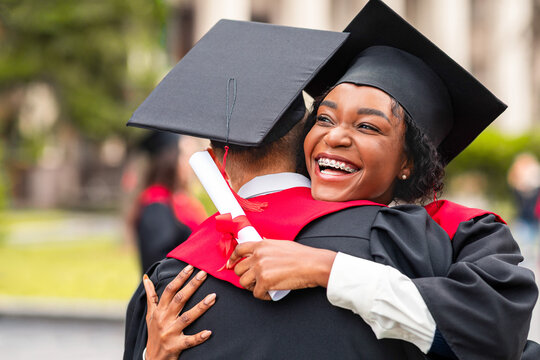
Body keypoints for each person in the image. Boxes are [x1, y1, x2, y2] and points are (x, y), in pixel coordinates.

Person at [124, 2, 538, 359]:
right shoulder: (424, 247)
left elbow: (495, 337)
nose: (335, 136)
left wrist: (327, 268)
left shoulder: (457, 240)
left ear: (408, 161)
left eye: (369, 127)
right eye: (323, 118)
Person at [129, 131, 195, 273]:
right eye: (185, 154)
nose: (190, 162)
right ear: (170, 159)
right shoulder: (156, 205)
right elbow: (159, 266)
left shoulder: (175, 199)